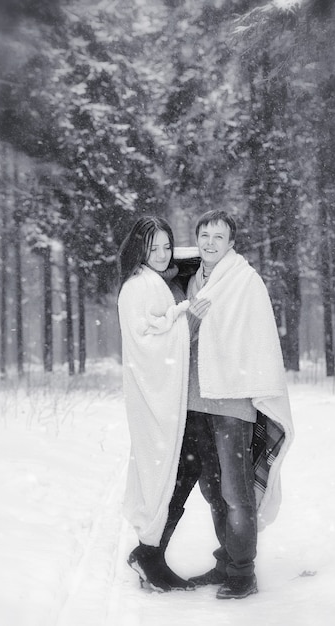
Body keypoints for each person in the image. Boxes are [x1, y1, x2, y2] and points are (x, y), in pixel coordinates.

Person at [175, 209, 294, 600]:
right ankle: (226, 560)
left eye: (219, 237)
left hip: (232, 401)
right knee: (212, 489)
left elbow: (255, 338)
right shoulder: (194, 280)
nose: (210, 242)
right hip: (199, 399)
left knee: (236, 490)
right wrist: (191, 321)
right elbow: (187, 336)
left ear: (231, 243)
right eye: (204, 235)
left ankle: (243, 573)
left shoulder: (244, 280)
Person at [117, 215, 209, 593]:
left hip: (166, 396)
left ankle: (151, 551)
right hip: (154, 396)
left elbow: (160, 328)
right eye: (152, 247)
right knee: (169, 470)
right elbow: (149, 346)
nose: (161, 254)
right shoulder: (139, 287)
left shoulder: (156, 281)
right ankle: (149, 552)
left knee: (179, 468)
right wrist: (187, 318)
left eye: (166, 246)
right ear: (139, 249)